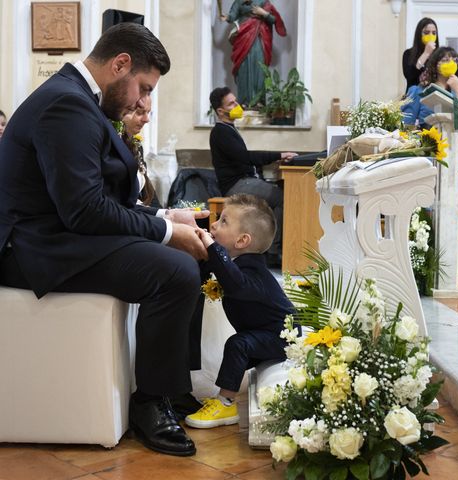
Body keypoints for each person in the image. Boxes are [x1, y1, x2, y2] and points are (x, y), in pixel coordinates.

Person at [0, 23, 209, 456]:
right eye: (144, 88)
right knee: (175, 268)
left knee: (195, 254)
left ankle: (170, 388)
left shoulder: (78, 99)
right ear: (120, 64)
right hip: (32, 248)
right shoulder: (66, 104)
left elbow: (100, 200)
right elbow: (85, 210)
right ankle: (149, 404)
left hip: (60, 233)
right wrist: (168, 232)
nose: (142, 101)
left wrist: (167, 216)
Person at [185, 194, 294, 428]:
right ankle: (219, 399)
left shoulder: (253, 271)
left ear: (243, 241)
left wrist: (213, 247)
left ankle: (225, 403)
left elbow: (234, 282)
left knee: (238, 344)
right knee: (239, 345)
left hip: (282, 336)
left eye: (224, 221)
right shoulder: (237, 265)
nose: (214, 225)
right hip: (264, 332)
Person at [209, 86, 297, 264]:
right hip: (236, 184)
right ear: (220, 110)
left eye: (235, 101)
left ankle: (268, 248)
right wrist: (279, 155)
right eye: (231, 103)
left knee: (278, 194)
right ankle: (273, 251)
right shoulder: (220, 131)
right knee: (282, 197)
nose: (237, 105)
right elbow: (245, 158)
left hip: (244, 180)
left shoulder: (229, 129)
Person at [402, 46, 458, 212]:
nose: (450, 63)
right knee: (429, 202)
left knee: (452, 203)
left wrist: (457, 89)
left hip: (456, 145)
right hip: (429, 146)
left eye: (454, 60)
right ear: (435, 64)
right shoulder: (420, 90)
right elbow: (406, 122)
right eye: (444, 60)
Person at [222, 0, 286, 106]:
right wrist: (227, 17)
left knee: (259, 69)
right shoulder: (239, 2)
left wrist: (263, 13)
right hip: (243, 37)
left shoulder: (263, 1)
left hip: (260, 37)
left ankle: (259, 102)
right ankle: (243, 101)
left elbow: (274, 19)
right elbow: (232, 16)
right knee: (243, 68)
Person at [120, 96, 160, 207]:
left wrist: (165, 214)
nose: (147, 119)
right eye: (140, 112)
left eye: (148, 112)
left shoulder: (136, 145)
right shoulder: (112, 145)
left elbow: (146, 188)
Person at [402, 17, 439, 93]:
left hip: (434, 96)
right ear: (419, 34)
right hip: (414, 97)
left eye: (434, 33)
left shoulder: (439, 54)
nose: (431, 35)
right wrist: (426, 53)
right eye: (426, 32)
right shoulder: (408, 54)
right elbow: (410, 77)